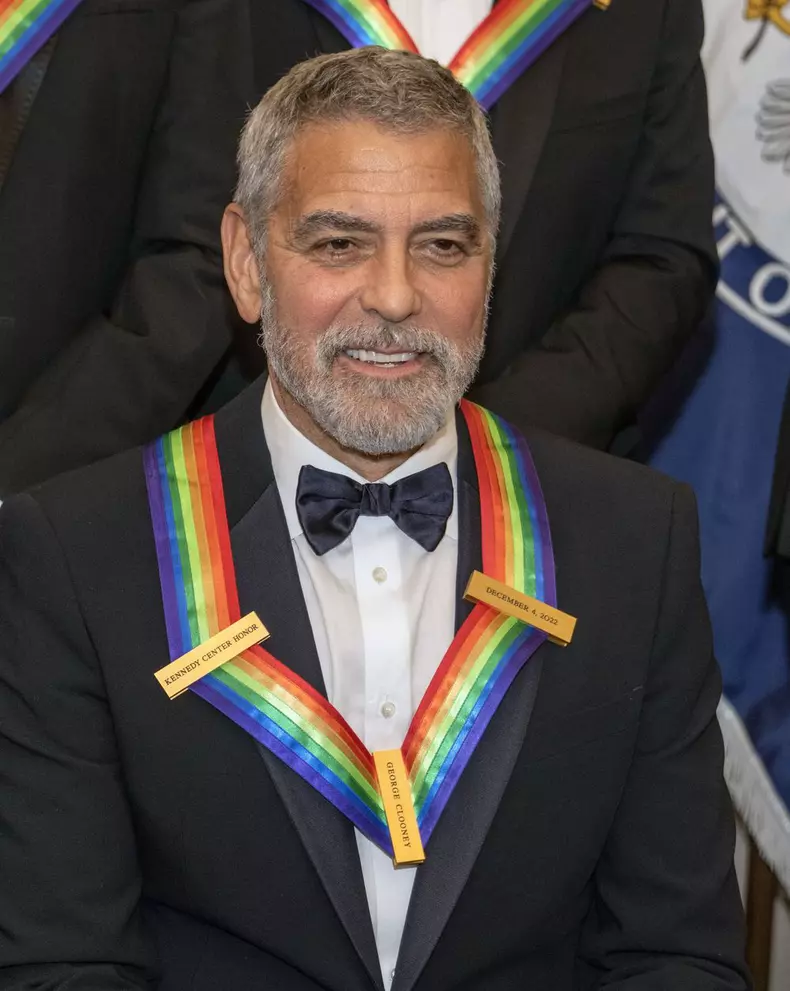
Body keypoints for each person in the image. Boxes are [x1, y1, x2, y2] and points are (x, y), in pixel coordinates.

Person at [0, 49, 747, 991]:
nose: (395, 298)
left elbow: (675, 956)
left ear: (491, 260)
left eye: (442, 244)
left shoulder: (636, 542)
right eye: (338, 243)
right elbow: (62, 967)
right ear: (244, 262)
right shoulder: (73, 555)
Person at [0, 0, 715, 494]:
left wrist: (483, 446)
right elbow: (195, 235)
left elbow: (661, 257)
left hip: (536, 487)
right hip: (240, 488)